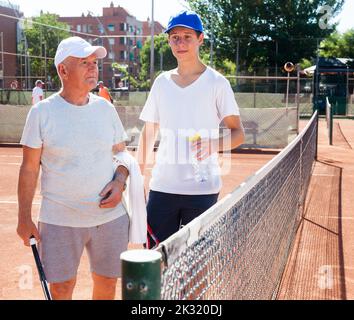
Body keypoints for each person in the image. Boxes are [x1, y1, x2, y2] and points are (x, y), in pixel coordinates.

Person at [17, 36, 146, 300]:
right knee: (62, 289)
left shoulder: (105, 108)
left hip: (109, 219)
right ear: (63, 70)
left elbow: (122, 155)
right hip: (59, 220)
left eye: (94, 63)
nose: (92, 68)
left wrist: (120, 181)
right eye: (84, 62)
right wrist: (24, 217)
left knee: (108, 284)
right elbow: (29, 169)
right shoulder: (41, 113)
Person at [137, 11, 245, 248]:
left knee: (196, 267)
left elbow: (238, 133)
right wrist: (137, 178)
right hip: (161, 189)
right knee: (156, 264)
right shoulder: (161, 83)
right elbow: (148, 134)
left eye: (187, 36)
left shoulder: (217, 83)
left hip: (202, 192)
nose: (181, 42)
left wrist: (214, 145)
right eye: (175, 37)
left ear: (200, 39)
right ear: (168, 41)